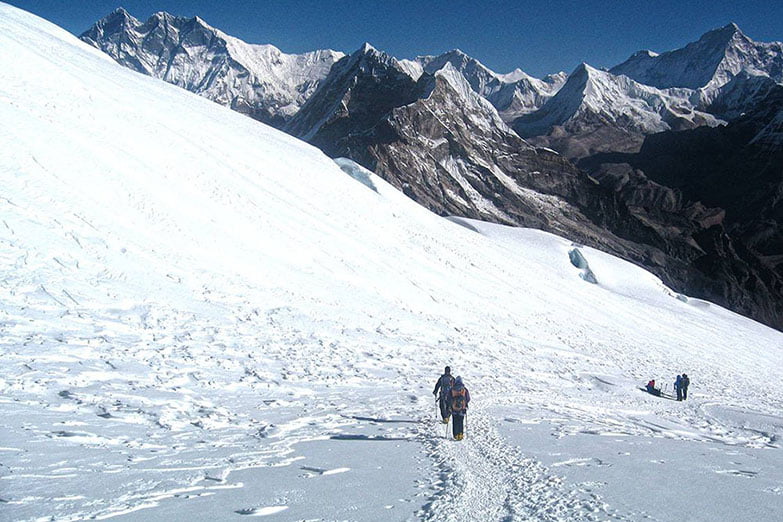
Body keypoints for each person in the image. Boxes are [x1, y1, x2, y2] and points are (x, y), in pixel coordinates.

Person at [449, 376, 470, 440]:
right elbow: (468, 398)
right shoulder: (464, 389)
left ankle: (455, 435)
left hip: (454, 408)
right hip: (462, 408)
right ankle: (460, 434)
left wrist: (450, 406)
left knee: (455, 421)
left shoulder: (452, 389)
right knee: (460, 421)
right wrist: (465, 404)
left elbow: (448, 398)